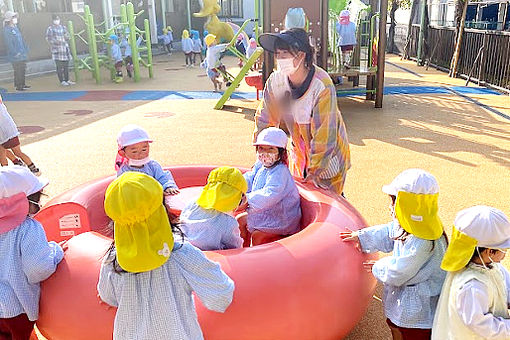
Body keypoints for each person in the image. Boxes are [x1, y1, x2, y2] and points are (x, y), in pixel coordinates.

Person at [98, 172, 235, 340]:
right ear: (163, 210)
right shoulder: (181, 253)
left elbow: (108, 296)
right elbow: (220, 296)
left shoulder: (112, 260)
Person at [340, 169, 448, 340]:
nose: (391, 207)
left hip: (416, 312)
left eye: (394, 202)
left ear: (408, 206)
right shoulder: (416, 224)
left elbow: (399, 272)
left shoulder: (423, 241)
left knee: (409, 334)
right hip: (407, 303)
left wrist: (379, 266)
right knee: (396, 328)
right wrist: (361, 237)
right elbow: (389, 231)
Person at [256, 28, 350, 196]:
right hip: (300, 148)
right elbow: (265, 119)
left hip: (327, 154)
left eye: (285, 54)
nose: (280, 59)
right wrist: (263, 150)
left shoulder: (321, 85)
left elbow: (324, 135)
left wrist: (315, 172)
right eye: (278, 54)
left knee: (327, 195)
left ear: (301, 55)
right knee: (300, 191)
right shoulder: (276, 81)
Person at [0, 165, 64, 340]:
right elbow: (38, 268)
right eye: (36, 199)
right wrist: (56, 251)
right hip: (15, 308)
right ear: (20, 203)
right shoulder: (27, 229)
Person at [432, 206, 510, 340]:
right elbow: (481, 325)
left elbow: (505, 285)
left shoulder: (490, 266)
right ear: (489, 251)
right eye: (504, 249)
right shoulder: (472, 286)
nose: (505, 253)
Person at [236, 127, 301, 247]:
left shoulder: (280, 171)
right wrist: (237, 187)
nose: (265, 153)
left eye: (271, 149)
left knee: (258, 235)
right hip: (265, 211)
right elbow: (250, 177)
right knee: (239, 221)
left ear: (280, 152)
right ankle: (242, 251)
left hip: (281, 217)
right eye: (261, 148)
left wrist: (248, 200)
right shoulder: (260, 165)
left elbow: (271, 193)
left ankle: (257, 259)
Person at [180, 166, 246, 251]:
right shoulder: (228, 222)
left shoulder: (192, 203)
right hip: (205, 257)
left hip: (180, 249)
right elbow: (235, 248)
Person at [115, 124, 179, 196]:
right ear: (123, 153)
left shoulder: (153, 166)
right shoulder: (124, 172)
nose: (140, 154)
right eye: (134, 151)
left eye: (144, 150)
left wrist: (168, 187)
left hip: (157, 201)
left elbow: (163, 177)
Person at [0, 96, 40, 175]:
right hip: (2, 131)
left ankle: (33, 168)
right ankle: (7, 172)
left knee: (17, 151)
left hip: (8, 130)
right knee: (1, 153)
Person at [3, 11, 30, 91]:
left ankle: (23, 83)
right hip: (15, 55)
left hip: (22, 53)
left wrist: (25, 48)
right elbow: (9, 43)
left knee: (23, 69)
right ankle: (19, 85)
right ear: (9, 19)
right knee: (18, 70)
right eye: (13, 17)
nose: (15, 19)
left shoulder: (16, 28)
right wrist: (15, 52)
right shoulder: (7, 30)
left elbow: (21, 40)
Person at [45, 14, 74, 86]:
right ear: (53, 20)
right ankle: (62, 81)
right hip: (57, 50)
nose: (57, 20)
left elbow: (68, 36)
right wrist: (57, 42)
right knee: (59, 66)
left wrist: (67, 37)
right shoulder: (50, 29)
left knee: (66, 66)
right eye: (56, 19)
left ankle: (67, 79)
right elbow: (48, 39)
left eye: (58, 19)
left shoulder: (63, 27)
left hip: (65, 49)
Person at [336, 9, 357, 81]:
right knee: (348, 52)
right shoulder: (352, 24)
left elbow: (337, 30)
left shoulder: (339, 24)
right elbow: (354, 29)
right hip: (350, 40)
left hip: (343, 40)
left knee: (343, 52)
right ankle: (347, 62)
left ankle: (343, 62)